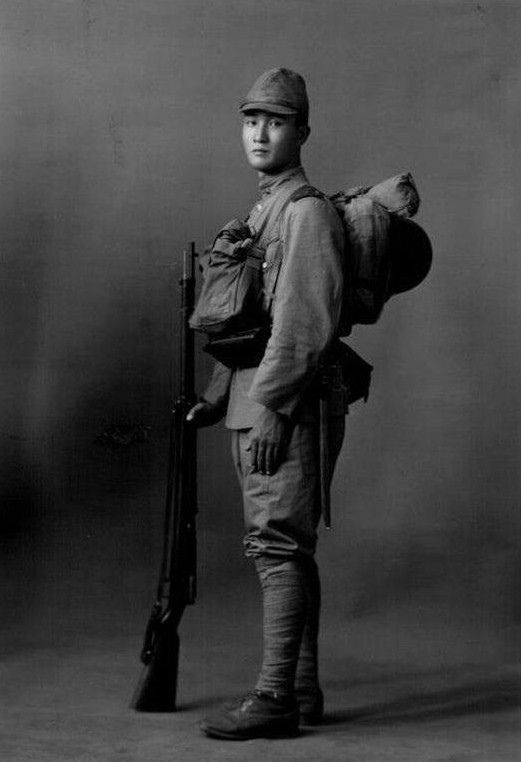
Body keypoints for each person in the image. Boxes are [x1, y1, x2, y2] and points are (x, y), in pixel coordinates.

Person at [187, 67, 348, 740]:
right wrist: (215, 398)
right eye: (251, 119)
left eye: (275, 121)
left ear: (301, 132)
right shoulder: (265, 209)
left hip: (287, 406)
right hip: (260, 399)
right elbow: (253, 323)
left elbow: (305, 323)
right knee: (285, 547)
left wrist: (275, 409)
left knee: (276, 547)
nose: (259, 131)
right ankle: (303, 687)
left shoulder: (305, 212)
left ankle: (274, 697)